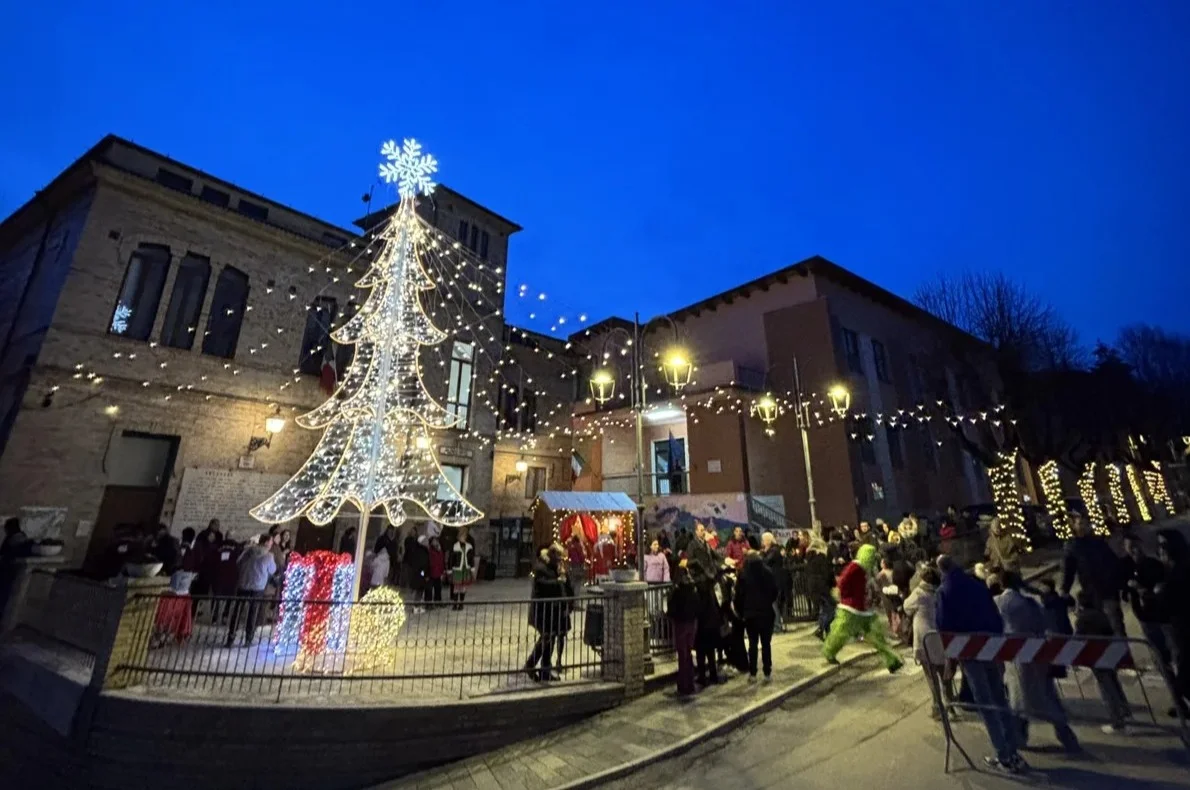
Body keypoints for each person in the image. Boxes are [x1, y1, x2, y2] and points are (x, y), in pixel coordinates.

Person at [935, 554, 1027, 774]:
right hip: (989, 647)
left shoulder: (944, 592)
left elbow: (944, 628)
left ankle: (1003, 754)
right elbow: (994, 614)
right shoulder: (976, 584)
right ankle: (1013, 750)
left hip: (968, 651)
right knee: (999, 698)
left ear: (941, 571)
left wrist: (951, 660)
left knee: (985, 703)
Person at [994, 569, 1080, 753]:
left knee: (1018, 700)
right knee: (1046, 696)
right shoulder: (1030, 602)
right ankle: (1065, 735)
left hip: (1017, 657)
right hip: (1038, 655)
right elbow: (1043, 624)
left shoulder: (1001, 602)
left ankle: (1019, 738)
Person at [822, 544, 903, 672]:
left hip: (863, 609)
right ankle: (829, 652)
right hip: (850, 608)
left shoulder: (864, 568)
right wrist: (845, 596)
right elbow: (842, 583)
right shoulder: (855, 567)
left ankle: (892, 661)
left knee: (877, 636)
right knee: (840, 634)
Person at [1073, 589, 1132, 734]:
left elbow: (1078, 639)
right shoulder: (1101, 615)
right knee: (1114, 682)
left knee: (1106, 688)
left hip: (1096, 656)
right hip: (1109, 653)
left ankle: (1117, 721)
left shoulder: (1082, 619)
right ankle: (1124, 710)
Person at [1061, 512, 1125, 636]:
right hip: (1091, 595)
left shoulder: (1098, 542)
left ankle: (1123, 652)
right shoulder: (1072, 546)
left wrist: (1120, 583)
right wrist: (1065, 589)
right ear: (1074, 526)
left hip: (1108, 593)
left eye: (1086, 523)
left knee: (1117, 628)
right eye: (1080, 524)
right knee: (1101, 631)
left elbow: (1113, 563)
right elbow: (1069, 569)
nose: (1083, 526)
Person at [1121, 535, 1172, 668]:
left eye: (1136, 546)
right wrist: (1127, 588)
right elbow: (1122, 586)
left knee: (1170, 647)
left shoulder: (1152, 564)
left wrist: (1142, 588)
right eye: (1131, 547)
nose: (1135, 550)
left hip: (1160, 613)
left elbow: (1161, 585)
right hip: (1144, 615)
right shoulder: (1125, 567)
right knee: (1158, 651)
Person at [1154, 529, 1190, 717]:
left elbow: (1164, 609)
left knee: (1183, 679)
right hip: (1180, 628)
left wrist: (1157, 594)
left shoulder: (1177, 574)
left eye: (1162, 548)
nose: (1160, 552)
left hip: (1183, 629)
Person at [735, 551, 779, 683]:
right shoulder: (768, 573)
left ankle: (753, 673)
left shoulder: (743, 575)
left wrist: (741, 612)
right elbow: (774, 591)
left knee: (753, 645)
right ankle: (767, 672)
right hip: (766, 613)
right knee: (766, 644)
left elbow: (738, 597)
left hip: (750, 615)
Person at [525, 545, 568, 681]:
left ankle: (545, 670)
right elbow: (542, 585)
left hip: (553, 611)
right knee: (546, 638)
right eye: (559, 558)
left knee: (550, 639)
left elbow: (564, 586)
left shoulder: (554, 567)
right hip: (542, 611)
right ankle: (530, 665)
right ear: (552, 556)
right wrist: (557, 581)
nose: (561, 561)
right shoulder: (541, 567)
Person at [226, 534, 277, 647]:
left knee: (237, 612)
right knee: (252, 613)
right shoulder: (269, 556)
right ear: (265, 542)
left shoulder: (248, 551)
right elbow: (272, 570)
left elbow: (238, 562)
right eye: (271, 541)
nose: (271, 544)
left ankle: (231, 637)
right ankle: (248, 639)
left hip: (243, 583)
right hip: (258, 586)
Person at [668, 565, 701, 697]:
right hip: (692, 623)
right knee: (688, 652)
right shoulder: (693, 589)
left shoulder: (677, 591)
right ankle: (690, 683)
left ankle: (684, 685)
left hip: (681, 624)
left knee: (683, 655)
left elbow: (672, 609)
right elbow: (698, 606)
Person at [804, 538, 835, 640]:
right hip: (822, 585)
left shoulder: (809, 558)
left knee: (824, 609)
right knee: (831, 609)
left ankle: (827, 632)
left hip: (812, 586)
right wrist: (833, 584)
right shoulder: (822, 558)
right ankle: (821, 629)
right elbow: (827, 573)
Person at [447, 527, 477, 609]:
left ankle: (461, 604)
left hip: (465, 569)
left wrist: (472, 569)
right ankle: (455, 603)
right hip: (457, 569)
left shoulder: (469, 547)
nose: (463, 537)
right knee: (457, 587)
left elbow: (471, 559)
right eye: (461, 535)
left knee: (463, 587)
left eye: (464, 535)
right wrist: (449, 570)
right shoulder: (455, 546)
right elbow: (451, 559)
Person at [422, 534, 445, 603]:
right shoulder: (429, 551)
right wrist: (425, 574)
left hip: (438, 572)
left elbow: (441, 561)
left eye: (436, 541)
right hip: (430, 572)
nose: (436, 542)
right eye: (434, 541)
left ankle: (438, 601)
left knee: (438, 588)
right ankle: (428, 603)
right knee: (429, 589)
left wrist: (442, 571)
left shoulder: (440, 550)